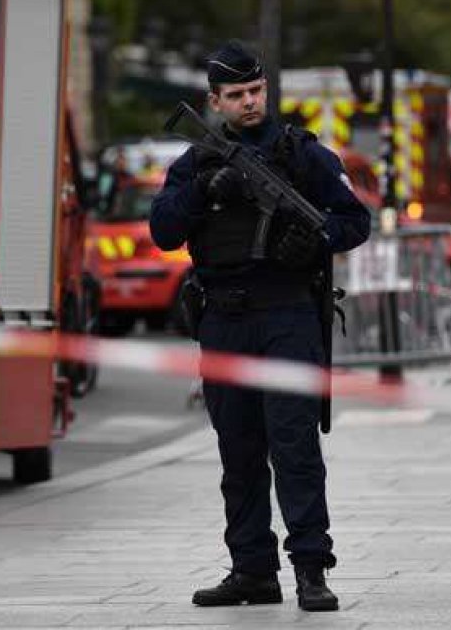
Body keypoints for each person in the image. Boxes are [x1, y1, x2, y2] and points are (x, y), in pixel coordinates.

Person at [149, 40, 371, 612]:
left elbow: (355, 220)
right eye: (236, 95)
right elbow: (164, 232)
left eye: (255, 91)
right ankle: (252, 570)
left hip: (287, 315)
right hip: (223, 317)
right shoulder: (195, 161)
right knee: (238, 451)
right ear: (215, 101)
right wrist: (203, 190)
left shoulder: (302, 155)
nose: (249, 103)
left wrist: (316, 238)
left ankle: (311, 570)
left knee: (294, 446)